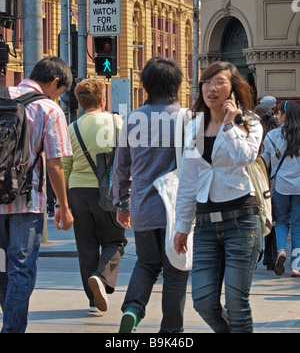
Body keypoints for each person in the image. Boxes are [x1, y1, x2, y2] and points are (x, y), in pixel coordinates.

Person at [174, 61, 263, 333]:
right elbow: (188, 180)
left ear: (232, 88)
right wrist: (181, 226)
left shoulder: (249, 123)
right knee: (203, 301)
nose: (212, 88)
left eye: (220, 82)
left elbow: (244, 156)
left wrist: (229, 124)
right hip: (205, 224)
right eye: (207, 82)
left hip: (242, 221)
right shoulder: (194, 126)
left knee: (237, 304)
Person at [113, 57, 190, 333]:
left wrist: (122, 204)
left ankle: (132, 309)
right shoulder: (185, 118)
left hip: (142, 208)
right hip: (176, 211)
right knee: (175, 272)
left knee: (146, 264)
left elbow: (121, 167)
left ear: (145, 84)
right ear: (176, 84)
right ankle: (171, 332)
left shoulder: (131, 119)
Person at [0, 56, 74, 333]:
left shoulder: (2, 97)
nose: (59, 98)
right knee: (21, 270)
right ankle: (13, 328)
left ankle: (10, 319)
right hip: (26, 203)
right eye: (60, 92)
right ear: (55, 82)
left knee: (1, 268)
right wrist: (63, 207)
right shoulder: (48, 109)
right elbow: (55, 163)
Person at [62, 78, 127, 313]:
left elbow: (65, 166)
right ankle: (101, 276)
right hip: (108, 190)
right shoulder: (116, 121)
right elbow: (126, 158)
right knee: (115, 240)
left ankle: (92, 298)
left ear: (79, 103)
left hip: (78, 191)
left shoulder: (72, 128)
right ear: (103, 99)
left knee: (86, 245)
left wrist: (63, 204)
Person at [261, 100, 300, 278]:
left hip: (281, 186)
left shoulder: (272, 136)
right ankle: (296, 266)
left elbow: (264, 163)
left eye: (278, 113)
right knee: (298, 225)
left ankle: (281, 250)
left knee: (282, 222)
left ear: (283, 115)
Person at [254, 103, 278, 270]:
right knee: (272, 219)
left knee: (255, 218)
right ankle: (271, 257)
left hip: (257, 179)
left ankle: (255, 253)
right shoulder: (275, 132)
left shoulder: (255, 132)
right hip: (274, 182)